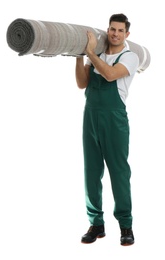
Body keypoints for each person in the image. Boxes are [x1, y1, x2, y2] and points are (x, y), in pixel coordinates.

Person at [75, 13, 139, 246]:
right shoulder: (98, 55)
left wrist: (90, 53)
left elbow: (111, 75)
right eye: (112, 29)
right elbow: (82, 83)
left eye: (120, 30)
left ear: (126, 34)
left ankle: (125, 225)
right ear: (108, 29)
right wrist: (79, 57)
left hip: (114, 120)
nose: (115, 33)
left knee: (119, 173)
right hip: (90, 116)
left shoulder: (129, 57)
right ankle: (96, 224)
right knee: (91, 172)